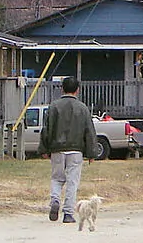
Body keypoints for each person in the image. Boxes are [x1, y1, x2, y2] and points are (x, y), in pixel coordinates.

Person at [37, 77, 98, 225]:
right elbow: (89, 131)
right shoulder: (82, 108)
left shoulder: (54, 107)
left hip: (57, 149)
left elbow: (47, 129)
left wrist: (44, 148)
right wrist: (91, 152)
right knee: (72, 182)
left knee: (57, 178)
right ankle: (68, 213)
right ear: (77, 90)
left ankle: (55, 200)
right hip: (76, 150)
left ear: (62, 89)